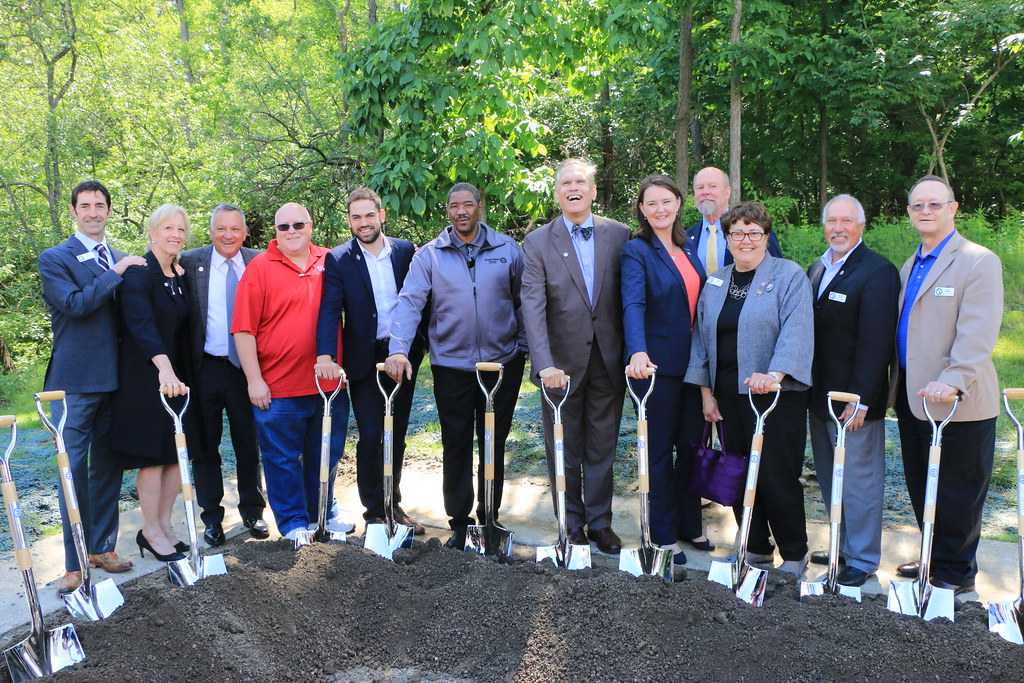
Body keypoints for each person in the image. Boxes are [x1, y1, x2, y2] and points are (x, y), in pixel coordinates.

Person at [385, 182, 526, 548]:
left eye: (468, 204)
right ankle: (461, 523)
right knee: (457, 444)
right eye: (454, 206)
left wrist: (522, 347)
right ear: (446, 210)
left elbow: (525, 300)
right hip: (451, 367)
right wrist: (398, 349)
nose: (461, 211)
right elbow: (410, 302)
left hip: (501, 367)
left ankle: (490, 520)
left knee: (493, 443)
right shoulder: (430, 255)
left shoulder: (507, 249)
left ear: (480, 206)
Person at [684, 201, 813, 573]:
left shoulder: (788, 275)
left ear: (766, 237)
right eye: (737, 232)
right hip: (727, 397)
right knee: (738, 473)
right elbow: (702, 341)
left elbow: (797, 330)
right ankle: (755, 547)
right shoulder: (717, 281)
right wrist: (706, 393)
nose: (745, 239)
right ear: (727, 238)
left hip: (774, 399)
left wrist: (774, 375)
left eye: (753, 232)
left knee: (776, 476)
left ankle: (794, 552)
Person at [893, 175, 1003, 595]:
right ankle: (933, 558)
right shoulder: (911, 263)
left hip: (957, 400)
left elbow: (978, 330)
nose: (925, 211)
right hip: (914, 396)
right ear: (908, 213)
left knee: (958, 488)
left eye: (934, 204)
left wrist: (953, 380)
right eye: (917, 205)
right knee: (923, 484)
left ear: (953, 208)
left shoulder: (978, 260)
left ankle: (956, 572)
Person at [38, 180, 147, 594]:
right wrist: (116, 272)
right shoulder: (56, 258)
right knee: (73, 474)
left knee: (107, 470)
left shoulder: (120, 256)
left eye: (100, 205)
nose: (93, 212)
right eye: (85, 205)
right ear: (73, 212)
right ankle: (73, 561)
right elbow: (77, 305)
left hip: (116, 381)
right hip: (75, 384)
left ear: (109, 210)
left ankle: (101, 546)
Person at [521, 158, 630, 555]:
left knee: (602, 447)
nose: (573, 188)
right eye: (565, 182)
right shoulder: (536, 242)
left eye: (580, 181)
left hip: (608, 360)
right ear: (556, 193)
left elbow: (629, 299)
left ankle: (601, 523)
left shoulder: (619, 235)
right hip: (559, 368)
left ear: (593, 191)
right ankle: (570, 523)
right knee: (564, 448)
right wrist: (544, 363)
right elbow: (532, 308)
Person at [232, 202, 352, 541]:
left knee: (325, 454)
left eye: (298, 224)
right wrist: (254, 380)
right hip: (278, 386)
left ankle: (323, 516)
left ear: (310, 225)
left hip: (329, 385)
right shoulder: (259, 268)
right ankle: (294, 525)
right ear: (276, 231)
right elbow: (243, 330)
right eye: (283, 227)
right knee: (282, 460)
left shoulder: (331, 260)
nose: (291, 231)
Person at [315, 188, 426, 533]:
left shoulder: (406, 251)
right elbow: (330, 309)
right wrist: (325, 354)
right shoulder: (339, 258)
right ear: (349, 221)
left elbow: (423, 296)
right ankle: (375, 511)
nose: (363, 223)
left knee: (398, 433)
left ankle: (395, 505)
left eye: (369, 215)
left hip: (401, 355)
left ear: (382, 215)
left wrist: (415, 347)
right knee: (372, 434)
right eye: (356, 217)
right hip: (363, 358)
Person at [806, 194, 900, 587]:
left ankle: (862, 558)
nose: (838, 228)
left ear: (862, 226)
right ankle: (843, 546)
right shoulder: (817, 267)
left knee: (859, 479)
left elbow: (877, 344)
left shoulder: (878, 272)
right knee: (830, 475)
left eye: (847, 221)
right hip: (820, 396)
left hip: (855, 401)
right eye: (832, 221)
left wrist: (862, 398)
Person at [621, 175, 709, 565]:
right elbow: (633, 304)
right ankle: (663, 532)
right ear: (642, 209)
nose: (659, 209)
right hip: (655, 368)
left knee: (693, 448)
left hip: (694, 367)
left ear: (678, 204)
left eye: (666, 201)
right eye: (651, 203)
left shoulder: (687, 248)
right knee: (658, 451)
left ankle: (690, 523)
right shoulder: (636, 251)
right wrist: (637, 351)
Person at [110, 204, 195, 563]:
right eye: (168, 228)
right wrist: (164, 369)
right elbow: (140, 324)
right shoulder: (138, 274)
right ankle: (150, 529)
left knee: (175, 454)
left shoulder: (180, 271)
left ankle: (164, 525)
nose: (175, 234)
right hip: (148, 373)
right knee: (153, 457)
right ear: (152, 232)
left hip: (179, 375)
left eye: (180, 229)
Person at [179, 204, 268, 547]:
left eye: (235, 229)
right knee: (205, 447)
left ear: (245, 232)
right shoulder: (189, 262)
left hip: (248, 370)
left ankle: (252, 511)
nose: (228, 236)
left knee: (249, 443)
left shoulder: (259, 261)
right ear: (211, 231)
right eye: (221, 229)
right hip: (205, 369)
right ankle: (212, 518)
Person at [686, 167, 782, 274]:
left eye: (713, 186)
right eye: (700, 187)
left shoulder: (755, 230)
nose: (705, 192)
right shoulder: (686, 238)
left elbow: (777, 270)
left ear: (727, 192)